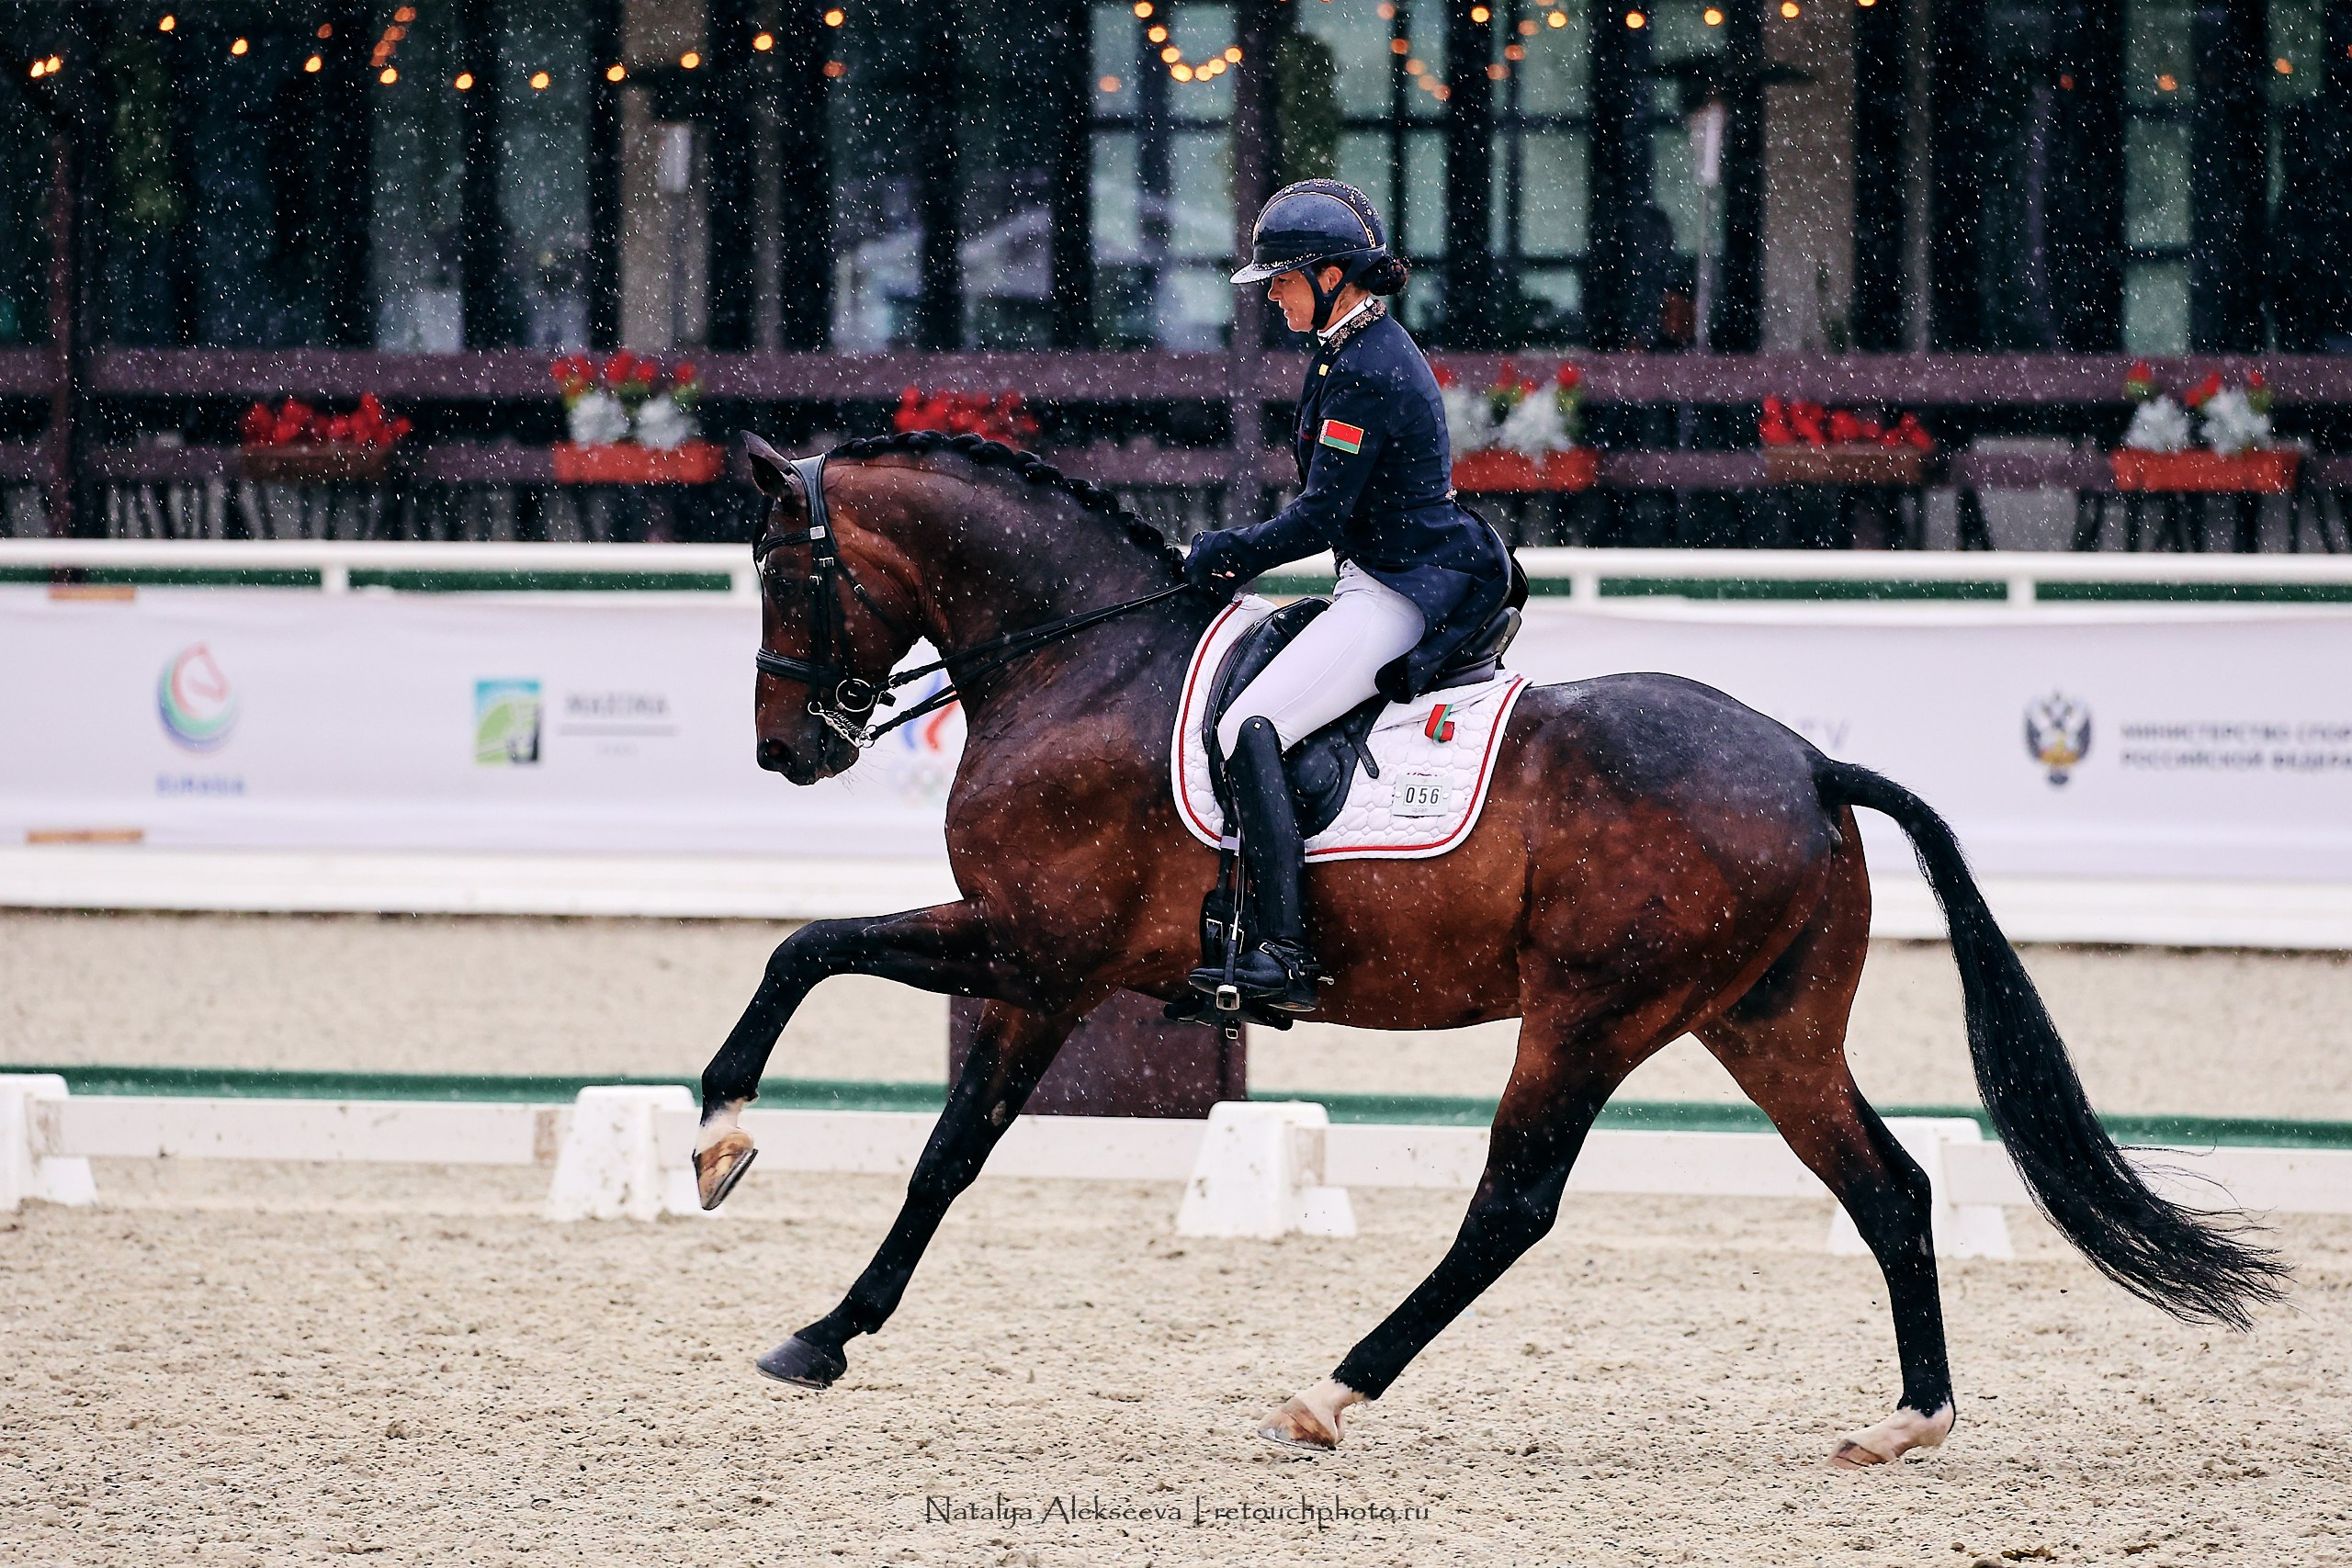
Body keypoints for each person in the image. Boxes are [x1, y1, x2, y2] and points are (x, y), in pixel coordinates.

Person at [1182, 178, 1512, 1012]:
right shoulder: (1345, 348)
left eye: (1283, 281)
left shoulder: (1366, 366)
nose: (1275, 297)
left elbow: (1323, 515)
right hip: (1381, 572)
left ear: (1331, 275)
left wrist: (1230, 553)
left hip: (1405, 587)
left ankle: (1285, 951)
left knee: (1245, 725)